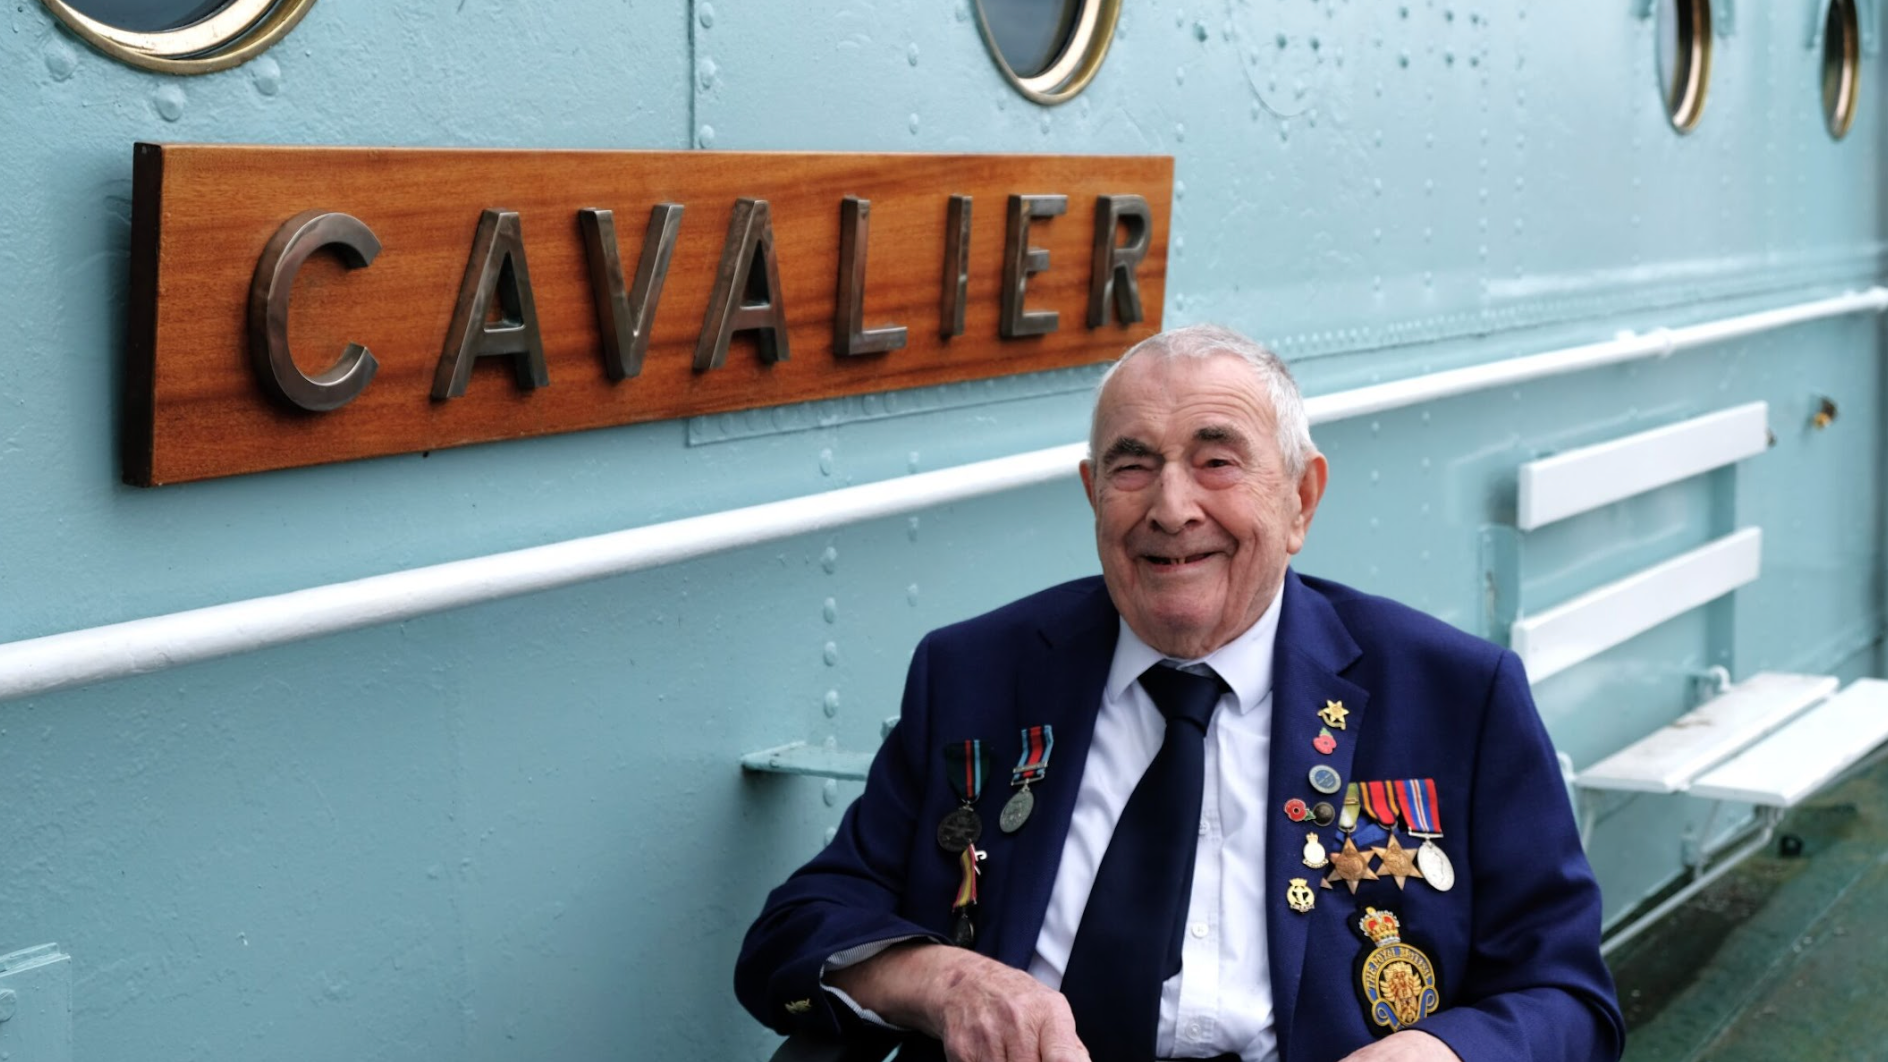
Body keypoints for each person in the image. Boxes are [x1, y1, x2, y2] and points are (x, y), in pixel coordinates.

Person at [735, 324, 1623, 1062]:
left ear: (1301, 499)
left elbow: (1568, 996)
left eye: (1217, 462)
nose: (1171, 507)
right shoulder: (976, 673)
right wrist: (947, 981)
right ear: (1093, 495)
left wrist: (1440, 1053)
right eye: (1132, 467)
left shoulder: (1454, 694)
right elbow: (798, 931)